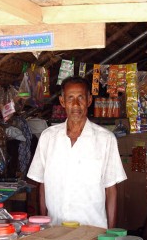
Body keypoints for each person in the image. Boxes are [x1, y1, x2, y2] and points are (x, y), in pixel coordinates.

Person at [27, 76, 127, 229]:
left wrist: (110, 234)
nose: (75, 104)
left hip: (93, 232)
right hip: (55, 229)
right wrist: (44, 226)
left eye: (80, 98)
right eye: (70, 98)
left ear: (89, 100)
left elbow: (111, 190)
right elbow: (42, 184)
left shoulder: (105, 139)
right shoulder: (48, 137)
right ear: (62, 102)